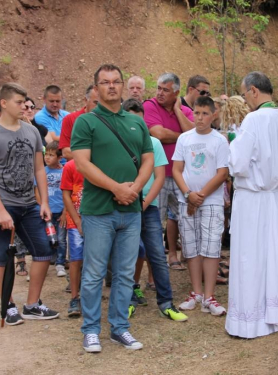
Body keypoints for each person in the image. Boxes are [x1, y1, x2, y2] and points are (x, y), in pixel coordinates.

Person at [71, 63, 154, 353]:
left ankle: (120, 328)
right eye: (105, 82)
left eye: (116, 81)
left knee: (125, 272)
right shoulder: (86, 122)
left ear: (122, 86)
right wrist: (116, 188)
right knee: (94, 273)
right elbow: (82, 163)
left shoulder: (137, 122)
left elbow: (147, 160)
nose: (111, 86)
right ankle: (91, 330)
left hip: (131, 211)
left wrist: (133, 188)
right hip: (99, 211)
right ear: (96, 88)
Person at [0, 82, 60, 325]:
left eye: (25, 102)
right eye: (18, 102)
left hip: (28, 203)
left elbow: (39, 168)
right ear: (4, 103)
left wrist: (43, 201)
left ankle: (32, 304)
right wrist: (0, 210)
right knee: (1, 255)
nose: (24, 106)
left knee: (44, 250)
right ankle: (9, 304)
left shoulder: (31, 131)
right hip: (0, 203)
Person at [226, 72, 278, 338]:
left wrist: (231, 144)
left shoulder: (253, 120)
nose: (244, 100)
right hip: (274, 197)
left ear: (254, 91)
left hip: (253, 198)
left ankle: (249, 321)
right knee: (272, 255)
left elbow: (239, 163)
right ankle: (273, 314)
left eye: (244, 94)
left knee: (249, 256)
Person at [122, 98, 188, 322]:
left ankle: (166, 302)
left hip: (147, 207)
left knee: (157, 254)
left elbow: (159, 177)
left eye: (140, 121)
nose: (136, 126)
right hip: (124, 207)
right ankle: (128, 300)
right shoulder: (118, 143)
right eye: (131, 120)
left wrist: (143, 202)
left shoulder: (154, 143)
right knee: (127, 256)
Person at [172, 96, 229, 316]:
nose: (200, 118)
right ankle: (195, 292)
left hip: (210, 202)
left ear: (213, 115)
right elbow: (177, 170)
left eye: (205, 113)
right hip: (187, 201)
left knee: (211, 246)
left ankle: (209, 296)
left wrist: (201, 195)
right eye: (196, 113)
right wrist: (188, 194)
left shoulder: (219, 141)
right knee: (191, 246)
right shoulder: (184, 139)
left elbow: (222, 173)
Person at [143, 73, 194, 271]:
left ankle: (183, 259)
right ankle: (154, 271)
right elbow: (158, 133)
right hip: (159, 176)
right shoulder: (150, 105)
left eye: (165, 90)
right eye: (159, 88)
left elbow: (195, 135)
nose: (160, 93)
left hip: (182, 176)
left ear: (176, 93)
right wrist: (184, 136)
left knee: (184, 219)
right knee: (156, 221)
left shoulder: (185, 110)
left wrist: (177, 112)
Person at [35, 141, 67, 277]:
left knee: (61, 238)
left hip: (61, 211)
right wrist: (42, 204)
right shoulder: (42, 171)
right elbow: (36, 191)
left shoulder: (65, 171)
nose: (47, 157)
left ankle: (60, 262)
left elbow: (68, 193)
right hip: (46, 211)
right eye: (46, 154)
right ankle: (44, 262)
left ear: (60, 157)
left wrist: (66, 212)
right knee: (45, 238)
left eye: (51, 155)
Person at [60, 158, 84, 317]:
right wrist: (76, 220)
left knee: (95, 259)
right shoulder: (70, 166)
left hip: (97, 220)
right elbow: (66, 195)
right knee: (75, 259)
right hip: (75, 220)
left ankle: (89, 296)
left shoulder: (100, 161)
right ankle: (74, 297)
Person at [59, 85, 99, 161]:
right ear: (85, 100)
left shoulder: (108, 120)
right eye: (96, 103)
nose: (99, 107)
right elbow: (66, 152)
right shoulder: (70, 119)